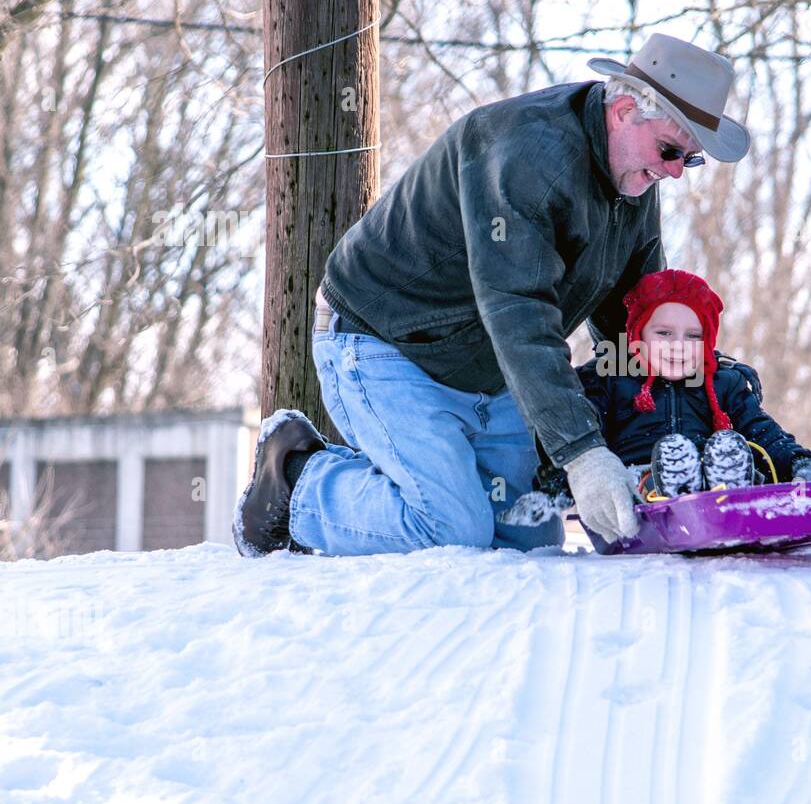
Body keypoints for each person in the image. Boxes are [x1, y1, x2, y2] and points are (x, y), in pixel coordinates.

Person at [234, 34, 754, 557]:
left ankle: (421, 478)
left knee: (525, 540)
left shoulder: (633, 180)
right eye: (669, 151)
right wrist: (582, 452)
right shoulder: (526, 155)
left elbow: (632, 317)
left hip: (487, 367)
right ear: (623, 111)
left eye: (686, 161)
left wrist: (690, 391)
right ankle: (296, 480)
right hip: (385, 344)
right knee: (452, 531)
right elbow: (518, 311)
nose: (671, 171)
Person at [502, 269, 811, 530]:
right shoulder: (611, 381)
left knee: (734, 446)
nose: (678, 345)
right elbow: (583, 436)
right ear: (637, 337)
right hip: (640, 491)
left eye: (693, 335)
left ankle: (726, 487)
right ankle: (671, 482)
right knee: (656, 465)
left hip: (714, 482)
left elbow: (763, 431)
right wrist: (553, 491)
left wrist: (800, 464)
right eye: (664, 333)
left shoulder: (724, 383)